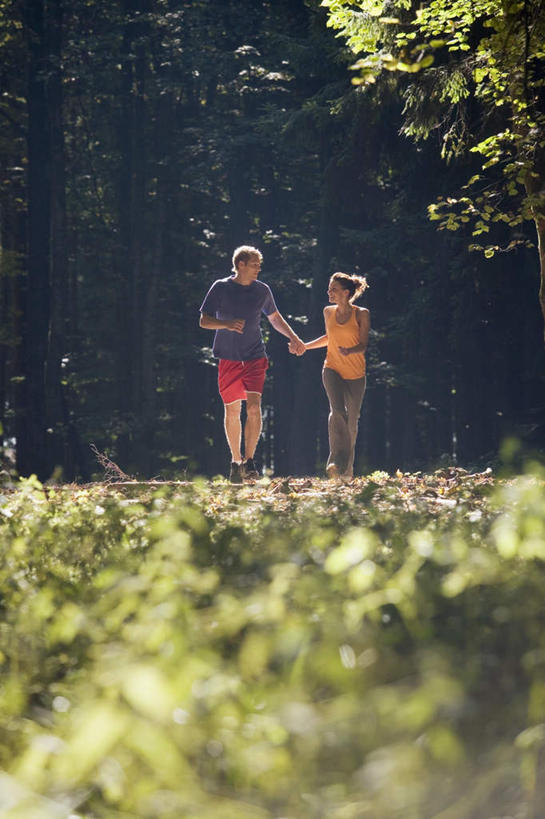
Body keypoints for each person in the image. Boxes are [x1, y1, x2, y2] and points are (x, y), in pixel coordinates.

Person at [199, 245, 305, 483]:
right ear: (241, 265)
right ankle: (235, 462)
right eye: (254, 264)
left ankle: (249, 461)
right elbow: (204, 321)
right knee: (232, 410)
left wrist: (294, 338)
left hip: (255, 356)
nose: (258, 268)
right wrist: (226, 324)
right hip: (228, 358)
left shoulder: (262, 290)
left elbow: (275, 318)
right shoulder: (221, 287)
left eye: (259, 265)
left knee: (254, 407)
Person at [291, 272, 370, 479]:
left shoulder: (361, 314)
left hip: (355, 375)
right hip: (332, 368)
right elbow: (329, 338)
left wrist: (350, 351)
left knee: (352, 422)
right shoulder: (328, 312)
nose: (329, 292)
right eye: (329, 289)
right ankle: (335, 462)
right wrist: (305, 346)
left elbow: (363, 345)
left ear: (346, 293)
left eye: (334, 289)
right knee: (337, 411)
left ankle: (346, 471)